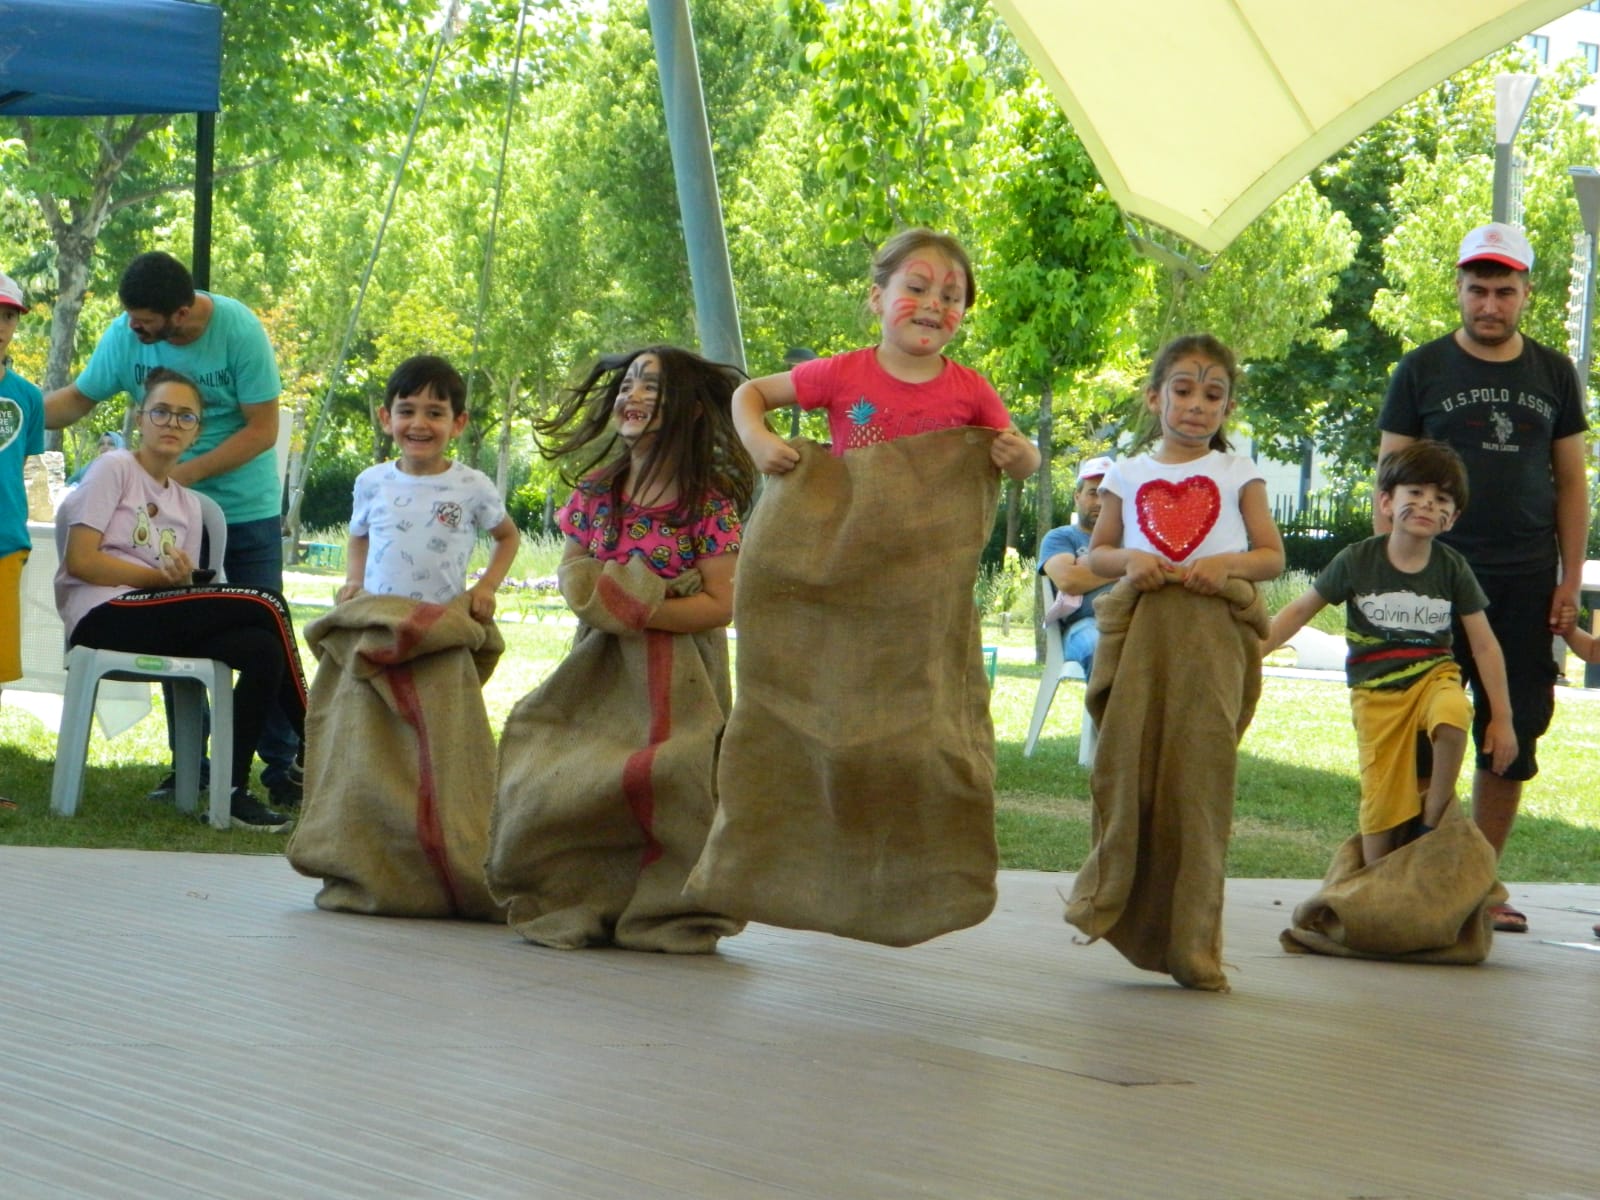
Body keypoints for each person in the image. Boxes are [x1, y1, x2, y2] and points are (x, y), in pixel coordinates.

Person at [488, 346, 756, 952]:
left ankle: (665, 912)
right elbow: (573, 574)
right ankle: (581, 897)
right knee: (575, 772)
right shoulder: (598, 491)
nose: (631, 396)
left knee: (675, 782)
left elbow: (722, 602)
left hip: (683, 676)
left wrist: (643, 609)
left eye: (652, 388)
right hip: (601, 669)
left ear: (686, 412)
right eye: (628, 384)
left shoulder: (705, 503)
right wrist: (606, 599)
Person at [1377, 222, 1590, 933]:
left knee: (1515, 732)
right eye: (1478, 289)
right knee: (1415, 728)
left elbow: (1570, 482)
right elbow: (1390, 479)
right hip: (1434, 580)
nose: (1490, 304)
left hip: (1527, 582)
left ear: (1527, 293)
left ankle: (1475, 885)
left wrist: (1568, 579)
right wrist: (1391, 576)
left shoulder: (1555, 374)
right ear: (1460, 290)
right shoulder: (1421, 369)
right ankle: (1407, 881)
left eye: (1504, 290)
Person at [43, 251, 302, 810]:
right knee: (263, 610)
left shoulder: (238, 331)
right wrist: (16, 410)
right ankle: (200, 767)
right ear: (142, 418)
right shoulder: (118, 462)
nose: (133, 332)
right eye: (159, 413)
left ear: (181, 314)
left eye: (144, 324)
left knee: (261, 631)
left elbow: (263, 430)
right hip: (128, 573)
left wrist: (172, 482)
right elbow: (75, 401)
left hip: (240, 506)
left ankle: (281, 766)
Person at [1064, 333, 1284, 991]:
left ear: (1228, 406)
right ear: (1154, 395)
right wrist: (1130, 560)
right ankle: (1111, 903)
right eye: (1183, 390)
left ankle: (1195, 943)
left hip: (1213, 637)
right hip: (1145, 639)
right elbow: (1098, 555)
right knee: (1129, 768)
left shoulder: (1237, 471)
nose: (1196, 405)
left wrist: (1227, 565)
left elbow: (1270, 556)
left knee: (1201, 780)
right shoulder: (1127, 473)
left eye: (1213, 394)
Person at [1263, 440, 1515, 865]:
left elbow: (1485, 644)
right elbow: (1300, 610)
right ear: (1385, 501)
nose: (1425, 505)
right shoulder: (1357, 560)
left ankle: (1433, 817)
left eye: (1440, 500)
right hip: (1376, 696)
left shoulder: (1452, 567)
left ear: (1452, 518)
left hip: (1433, 677)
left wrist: (1503, 719)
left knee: (1454, 715)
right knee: (1379, 816)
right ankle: (1373, 888)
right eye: (1414, 493)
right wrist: (1252, 654)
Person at [731, 227, 1040, 482]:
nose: (935, 304)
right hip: (851, 545)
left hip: (935, 550)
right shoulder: (840, 373)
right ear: (877, 298)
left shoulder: (972, 389)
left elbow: (1024, 460)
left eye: (950, 297)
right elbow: (750, 392)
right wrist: (756, 438)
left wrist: (1022, 457)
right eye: (917, 288)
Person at [336, 355, 519, 621]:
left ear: (458, 423)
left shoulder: (473, 486)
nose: (419, 424)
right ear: (386, 418)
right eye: (407, 411)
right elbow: (359, 535)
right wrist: (354, 580)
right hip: (377, 619)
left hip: (441, 625)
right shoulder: (371, 482)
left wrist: (486, 587)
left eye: (434, 413)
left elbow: (508, 537)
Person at [0, 271, 44, 803]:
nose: (2, 325)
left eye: (8, 315)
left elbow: (30, 468)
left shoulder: (28, 397)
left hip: (6, 540)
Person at [1037, 455, 1118, 680]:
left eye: (1109, 494)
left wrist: (1092, 567)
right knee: (1104, 648)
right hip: (1085, 626)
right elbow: (1069, 580)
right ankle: (1107, 716)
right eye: (1093, 493)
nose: (1101, 502)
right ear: (1077, 497)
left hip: (1134, 622)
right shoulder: (1061, 538)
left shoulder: (1133, 539)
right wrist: (1128, 564)